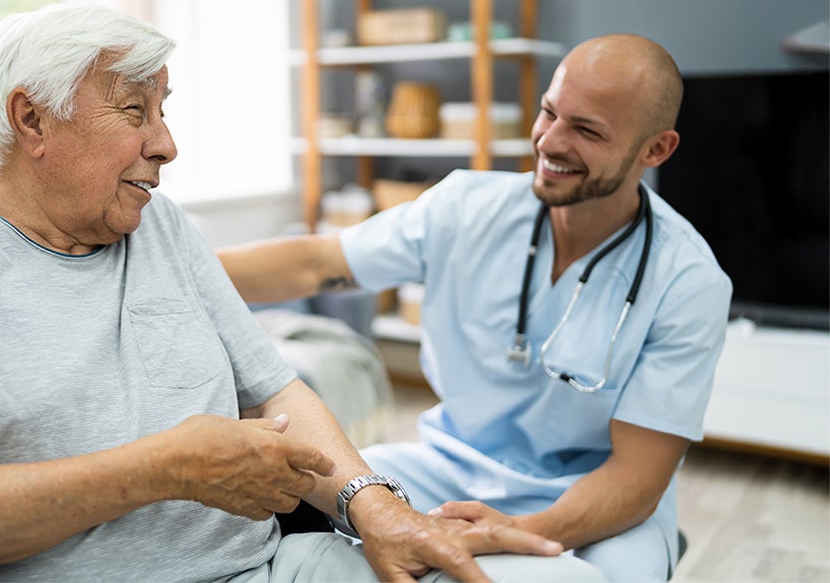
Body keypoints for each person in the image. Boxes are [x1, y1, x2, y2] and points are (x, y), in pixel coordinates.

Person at [0, 3, 607, 583]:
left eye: (164, 110)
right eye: (134, 110)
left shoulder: (161, 228)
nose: (166, 143)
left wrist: (377, 507)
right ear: (31, 120)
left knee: (565, 579)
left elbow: (278, 392)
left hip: (266, 569)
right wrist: (162, 468)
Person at [218, 33, 734, 582]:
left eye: (586, 131)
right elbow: (315, 263)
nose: (550, 142)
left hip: (593, 500)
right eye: (549, 112)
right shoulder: (464, 208)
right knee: (295, 503)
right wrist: (179, 266)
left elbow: (636, 476)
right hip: (447, 467)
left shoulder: (688, 281)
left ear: (656, 150)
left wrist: (514, 530)